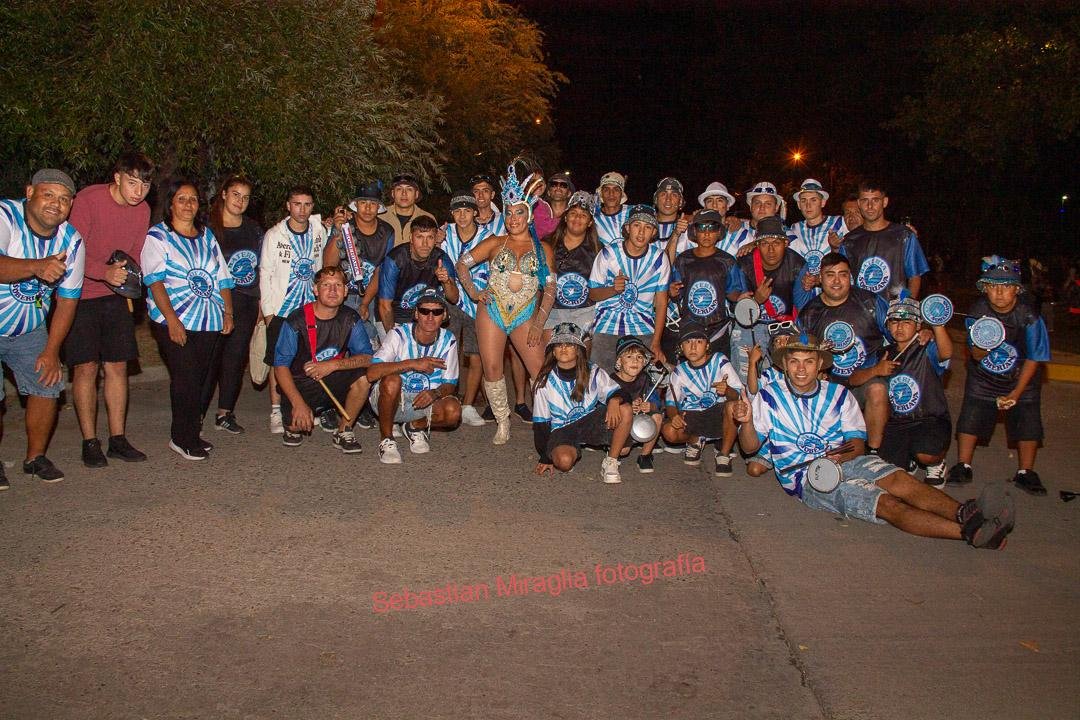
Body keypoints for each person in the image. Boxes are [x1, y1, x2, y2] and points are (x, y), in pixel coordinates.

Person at [733, 333, 1016, 549]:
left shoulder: (839, 395)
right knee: (888, 504)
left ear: (819, 364)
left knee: (901, 481)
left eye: (808, 361)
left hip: (846, 459)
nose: (801, 369)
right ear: (784, 364)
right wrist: (746, 421)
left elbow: (857, 444)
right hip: (808, 477)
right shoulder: (768, 397)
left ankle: (966, 512)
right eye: (794, 361)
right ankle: (972, 533)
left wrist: (840, 456)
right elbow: (749, 448)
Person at [456, 163, 556, 445]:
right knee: (492, 368)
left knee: (539, 371)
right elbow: (462, 264)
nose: (513, 218)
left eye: (519, 212)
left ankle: (549, 421)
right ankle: (502, 421)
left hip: (525, 315)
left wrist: (538, 323)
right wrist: (474, 292)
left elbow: (550, 288)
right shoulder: (494, 242)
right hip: (491, 311)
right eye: (509, 213)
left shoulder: (542, 249)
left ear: (529, 215)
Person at [64, 152, 153, 467]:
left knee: (117, 366)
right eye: (132, 183)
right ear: (117, 177)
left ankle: (118, 439)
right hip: (82, 294)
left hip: (116, 297)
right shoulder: (88, 200)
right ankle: (90, 441)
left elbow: (135, 253)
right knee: (86, 368)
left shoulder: (143, 210)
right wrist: (104, 272)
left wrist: (131, 276)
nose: (138, 192)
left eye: (144, 185)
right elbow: (71, 252)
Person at [0, 169, 85, 486]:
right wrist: (37, 266)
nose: (55, 204)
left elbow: (67, 301)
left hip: (29, 328)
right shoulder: (6, 216)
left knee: (47, 383)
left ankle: (35, 457)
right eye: (48, 194)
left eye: (64, 199)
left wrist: (52, 350)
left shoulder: (72, 241)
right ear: (30, 193)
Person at [141, 180, 234, 460]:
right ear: (170, 204)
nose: (188, 204)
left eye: (193, 199)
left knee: (200, 380)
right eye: (181, 199)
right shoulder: (158, 236)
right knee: (186, 378)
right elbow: (154, 281)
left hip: (208, 320)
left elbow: (223, 277)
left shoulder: (206, 236)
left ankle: (192, 432)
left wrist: (228, 312)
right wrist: (172, 320)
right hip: (174, 320)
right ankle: (181, 438)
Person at [948, 256, 1051, 495]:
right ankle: (963, 465)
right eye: (993, 286)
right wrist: (981, 348)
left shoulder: (1030, 316)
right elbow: (974, 354)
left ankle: (1026, 471)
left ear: (1017, 289)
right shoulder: (977, 312)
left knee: (1028, 419)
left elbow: (1035, 357)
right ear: (985, 288)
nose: (1000, 292)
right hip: (984, 375)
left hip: (1021, 375)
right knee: (971, 416)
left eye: (1006, 286)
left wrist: (1016, 393)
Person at [272, 266, 374, 452]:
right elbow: (280, 366)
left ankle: (344, 430)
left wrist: (332, 365)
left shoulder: (350, 318)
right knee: (296, 427)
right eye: (326, 285)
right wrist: (298, 403)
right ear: (315, 290)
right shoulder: (296, 320)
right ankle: (303, 412)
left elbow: (368, 358)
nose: (333, 290)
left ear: (345, 291)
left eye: (338, 285)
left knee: (364, 377)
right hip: (302, 382)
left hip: (333, 377)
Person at [798, 252, 892, 454]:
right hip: (829, 388)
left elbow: (898, 333)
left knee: (877, 389)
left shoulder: (870, 302)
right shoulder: (809, 313)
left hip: (866, 380)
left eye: (843, 274)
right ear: (820, 278)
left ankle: (873, 453)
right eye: (830, 275)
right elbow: (801, 357)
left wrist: (924, 331)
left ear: (850, 276)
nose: (837, 281)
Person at [366, 287, 462, 464]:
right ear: (416, 314)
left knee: (453, 411)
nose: (430, 317)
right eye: (424, 311)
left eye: (437, 312)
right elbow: (371, 374)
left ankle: (414, 427)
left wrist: (435, 393)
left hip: (422, 403)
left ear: (445, 315)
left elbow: (450, 383)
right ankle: (386, 438)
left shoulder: (448, 340)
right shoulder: (398, 334)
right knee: (392, 380)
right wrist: (412, 363)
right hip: (391, 402)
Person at [259, 185, 327, 434]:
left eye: (307, 204)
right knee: (278, 361)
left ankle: (304, 405)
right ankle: (276, 410)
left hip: (309, 309)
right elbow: (265, 273)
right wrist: (268, 312)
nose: (302, 209)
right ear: (288, 206)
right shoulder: (274, 235)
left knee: (306, 359)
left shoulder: (318, 230)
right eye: (297, 204)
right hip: (282, 310)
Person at [532, 322, 632, 484]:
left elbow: (623, 393)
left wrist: (615, 399)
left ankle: (611, 462)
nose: (564, 348)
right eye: (559, 345)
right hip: (562, 429)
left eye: (570, 344)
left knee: (624, 416)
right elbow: (541, 424)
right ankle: (571, 448)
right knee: (564, 462)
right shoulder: (544, 382)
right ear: (553, 351)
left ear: (578, 350)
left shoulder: (594, 372)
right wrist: (546, 456)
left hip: (589, 421)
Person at [202, 174, 263, 434]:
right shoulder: (207, 228)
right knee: (209, 360)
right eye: (236, 194)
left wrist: (261, 303)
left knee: (235, 360)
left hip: (247, 301)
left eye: (245, 197)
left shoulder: (253, 229)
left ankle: (224, 412)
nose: (240, 201)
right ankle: (196, 414)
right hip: (214, 303)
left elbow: (262, 267)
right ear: (224, 194)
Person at [727, 216, 812, 383]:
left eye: (777, 243)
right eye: (765, 243)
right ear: (757, 244)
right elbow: (735, 303)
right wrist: (754, 300)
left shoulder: (797, 265)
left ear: (786, 243)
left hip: (783, 327)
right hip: (750, 325)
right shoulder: (744, 264)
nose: (771, 249)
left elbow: (803, 309)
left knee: (786, 380)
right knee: (745, 380)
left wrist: (802, 342)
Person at [878, 298, 952, 487]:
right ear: (888, 325)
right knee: (886, 474)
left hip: (930, 418)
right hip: (898, 422)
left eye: (907, 322)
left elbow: (946, 353)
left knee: (925, 454)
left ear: (918, 325)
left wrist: (937, 326)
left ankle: (936, 463)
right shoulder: (884, 353)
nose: (899, 327)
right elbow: (856, 379)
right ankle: (908, 456)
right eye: (894, 322)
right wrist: (875, 370)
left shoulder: (926, 347)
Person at [588, 204, 670, 370]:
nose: (641, 232)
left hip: (642, 329)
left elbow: (662, 303)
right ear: (627, 228)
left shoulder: (660, 259)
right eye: (636, 225)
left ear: (654, 232)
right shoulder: (608, 254)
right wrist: (613, 289)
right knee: (601, 381)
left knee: (641, 383)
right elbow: (593, 294)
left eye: (648, 227)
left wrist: (656, 342)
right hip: (606, 327)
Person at [661, 322, 743, 475]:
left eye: (699, 341)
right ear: (681, 347)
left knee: (732, 406)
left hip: (719, 414)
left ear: (707, 345)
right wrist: (674, 416)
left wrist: (727, 390)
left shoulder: (719, 360)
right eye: (688, 342)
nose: (693, 347)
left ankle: (724, 454)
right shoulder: (679, 372)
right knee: (668, 431)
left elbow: (738, 395)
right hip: (694, 416)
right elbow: (671, 402)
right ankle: (695, 440)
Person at [323, 181, 395, 343]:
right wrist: (338, 232)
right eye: (363, 203)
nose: (368, 208)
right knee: (338, 342)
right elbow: (328, 265)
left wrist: (365, 303)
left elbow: (380, 271)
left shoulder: (387, 231)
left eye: (373, 204)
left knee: (367, 342)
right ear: (355, 205)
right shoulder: (345, 225)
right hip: (340, 295)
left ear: (379, 207)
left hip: (370, 296)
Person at [668, 208, 741, 359]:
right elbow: (676, 293)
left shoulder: (727, 261)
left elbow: (732, 293)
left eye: (712, 228)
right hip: (690, 328)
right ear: (694, 232)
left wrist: (743, 297)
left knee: (719, 369)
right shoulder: (683, 259)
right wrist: (672, 292)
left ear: (719, 232)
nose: (707, 233)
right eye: (702, 228)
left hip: (717, 329)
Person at [840, 177, 929, 300]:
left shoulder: (903, 235)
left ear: (885, 202)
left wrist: (904, 305)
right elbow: (843, 279)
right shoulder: (849, 241)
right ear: (859, 203)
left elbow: (914, 277)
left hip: (894, 308)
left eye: (875, 200)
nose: (870, 206)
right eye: (865, 200)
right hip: (860, 309)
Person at [377, 215, 458, 331]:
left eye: (430, 237)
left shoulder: (441, 259)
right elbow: (385, 306)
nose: (425, 244)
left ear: (435, 239)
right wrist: (394, 336)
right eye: (419, 237)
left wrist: (446, 282)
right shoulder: (395, 259)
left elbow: (454, 298)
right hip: (394, 317)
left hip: (425, 316)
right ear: (411, 238)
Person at [543, 191, 601, 342]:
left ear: (590, 222)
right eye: (573, 213)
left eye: (583, 215)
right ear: (565, 217)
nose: (577, 218)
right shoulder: (547, 244)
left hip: (585, 312)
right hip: (551, 311)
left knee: (581, 355)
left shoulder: (599, 250)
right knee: (549, 354)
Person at [610, 336, 663, 473]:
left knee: (657, 417)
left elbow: (657, 402)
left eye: (639, 357)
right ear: (619, 361)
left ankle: (645, 455)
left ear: (644, 362)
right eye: (629, 356)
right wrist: (626, 407)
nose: (635, 361)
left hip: (640, 420)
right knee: (623, 451)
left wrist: (650, 405)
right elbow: (602, 407)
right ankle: (612, 447)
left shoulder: (644, 379)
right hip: (620, 423)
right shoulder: (611, 381)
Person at [668, 181, 752, 263]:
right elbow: (669, 263)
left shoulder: (742, 236)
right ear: (704, 207)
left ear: (727, 206)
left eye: (720, 200)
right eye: (710, 201)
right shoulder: (689, 233)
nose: (714, 205)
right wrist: (676, 233)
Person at [788, 178, 847, 281]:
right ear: (798, 205)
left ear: (823, 202)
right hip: (804, 289)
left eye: (813, 200)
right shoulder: (794, 229)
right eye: (803, 200)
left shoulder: (839, 223)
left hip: (833, 287)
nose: (808, 205)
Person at [382, 173, 435, 248]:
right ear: (393, 193)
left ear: (416, 194)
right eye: (399, 189)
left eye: (409, 189)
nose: (404, 193)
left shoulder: (428, 218)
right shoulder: (381, 216)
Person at [593, 171, 630, 247]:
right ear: (601, 194)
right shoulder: (593, 218)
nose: (611, 194)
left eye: (616, 189)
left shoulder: (634, 213)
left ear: (621, 194)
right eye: (606, 190)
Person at [654, 177, 688, 246]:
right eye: (663, 194)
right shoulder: (643, 225)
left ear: (680, 202)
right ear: (656, 200)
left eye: (674, 195)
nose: (668, 199)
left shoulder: (690, 230)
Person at [470, 173, 505, 239]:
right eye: (476, 191)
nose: (480, 195)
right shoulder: (466, 221)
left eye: (485, 191)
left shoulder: (504, 220)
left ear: (492, 195)